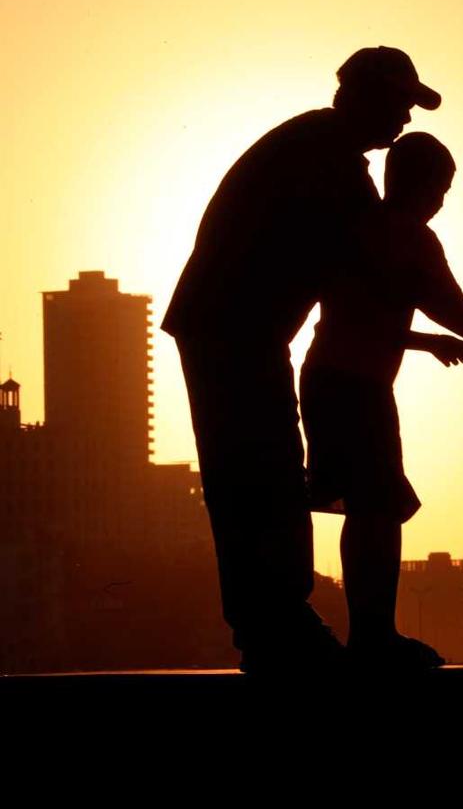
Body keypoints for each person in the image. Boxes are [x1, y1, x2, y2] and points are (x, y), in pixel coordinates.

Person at [163, 47, 447, 674]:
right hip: (234, 332)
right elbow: (385, 269)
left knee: (259, 477)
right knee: (260, 478)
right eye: (399, 104)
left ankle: (275, 628)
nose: (404, 118)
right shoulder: (329, 163)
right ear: (363, 96)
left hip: (238, 331)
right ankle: (278, 633)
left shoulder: (320, 148)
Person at [299, 131, 463, 672]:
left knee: (369, 506)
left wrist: (423, 342)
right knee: (378, 507)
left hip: (326, 380)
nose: (441, 202)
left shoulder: (359, 227)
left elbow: (358, 317)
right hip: (357, 386)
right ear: (421, 185)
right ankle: (373, 638)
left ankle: (369, 634)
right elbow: (455, 309)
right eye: (441, 189)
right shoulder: (410, 238)